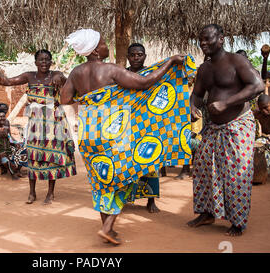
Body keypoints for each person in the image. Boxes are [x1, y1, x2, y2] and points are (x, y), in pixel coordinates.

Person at [61, 28, 188, 245]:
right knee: (125, 175)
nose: (106, 45)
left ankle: (107, 228)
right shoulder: (110, 70)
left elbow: (65, 99)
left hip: (88, 129)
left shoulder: (75, 72)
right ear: (94, 50)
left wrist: (90, 102)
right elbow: (144, 82)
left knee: (101, 179)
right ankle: (108, 226)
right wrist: (171, 62)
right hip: (113, 129)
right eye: (102, 43)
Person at [188, 24, 265, 236]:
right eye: (200, 40)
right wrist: (193, 105)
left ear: (221, 39)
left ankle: (237, 221)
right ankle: (206, 213)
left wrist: (226, 103)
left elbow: (258, 86)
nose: (203, 43)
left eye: (207, 39)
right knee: (203, 168)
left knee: (236, 173)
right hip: (213, 127)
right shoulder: (204, 69)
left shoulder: (237, 61)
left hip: (238, 125)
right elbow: (197, 93)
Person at [0, 49, 77, 205]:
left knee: (52, 157)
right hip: (35, 123)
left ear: (51, 62)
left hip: (53, 122)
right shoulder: (29, 76)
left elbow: (64, 79)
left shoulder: (56, 74)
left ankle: (50, 193)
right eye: (41, 60)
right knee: (33, 155)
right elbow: (9, 81)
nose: (44, 62)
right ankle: (32, 192)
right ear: (35, 62)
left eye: (47, 60)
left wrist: (59, 76)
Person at [126, 43, 160, 213]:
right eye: (133, 55)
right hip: (126, 125)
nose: (136, 58)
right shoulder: (121, 74)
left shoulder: (152, 74)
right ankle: (125, 198)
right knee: (125, 163)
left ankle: (151, 201)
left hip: (148, 124)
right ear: (128, 57)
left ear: (145, 56)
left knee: (150, 162)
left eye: (139, 54)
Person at [0, 109, 26, 178]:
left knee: (24, 151)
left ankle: (17, 170)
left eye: (4, 116)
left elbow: (10, 139)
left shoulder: (6, 128)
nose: (2, 118)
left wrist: (15, 143)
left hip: (9, 149)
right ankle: (13, 173)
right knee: (3, 157)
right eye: (0, 117)